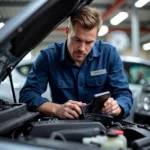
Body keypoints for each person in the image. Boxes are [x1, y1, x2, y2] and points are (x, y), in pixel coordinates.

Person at [19, 7, 133, 119]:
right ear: (67, 32)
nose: (82, 48)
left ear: (97, 35)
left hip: (101, 126)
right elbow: (27, 95)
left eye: (89, 42)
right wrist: (56, 109)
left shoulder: (109, 54)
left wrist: (117, 107)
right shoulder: (48, 56)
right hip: (63, 127)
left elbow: (123, 94)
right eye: (77, 40)